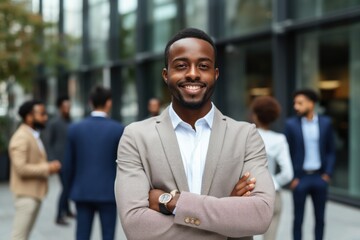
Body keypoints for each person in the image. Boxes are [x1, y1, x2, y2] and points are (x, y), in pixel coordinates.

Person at [115, 27, 275, 240]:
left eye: (203, 66)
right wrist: (226, 218)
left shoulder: (245, 136)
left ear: (215, 74)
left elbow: (260, 215)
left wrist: (171, 201)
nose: (192, 73)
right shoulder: (136, 137)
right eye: (181, 66)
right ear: (166, 74)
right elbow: (136, 226)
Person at [63, 86, 125, 240]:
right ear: (109, 103)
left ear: (90, 102)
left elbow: (68, 166)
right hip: (109, 192)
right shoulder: (118, 129)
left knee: (82, 235)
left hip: (82, 191)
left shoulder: (75, 129)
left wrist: (67, 192)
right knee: (108, 236)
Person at [284, 89, 336, 240]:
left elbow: (331, 151)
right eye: (295, 103)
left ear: (311, 104)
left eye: (300, 103)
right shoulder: (290, 124)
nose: (296, 106)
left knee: (320, 219)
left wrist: (327, 174)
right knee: (298, 220)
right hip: (300, 179)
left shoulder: (326, 123)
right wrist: (292, 178)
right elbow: (286, 152)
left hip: (320, 178)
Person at [8, 100, 61, 240]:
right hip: (26, 196)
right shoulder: (21, 137)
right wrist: (48, 168)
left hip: (33, 194)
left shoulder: (32, 134)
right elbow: (21, 168)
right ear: (29, 117)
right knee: (19, 236)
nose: (46, 117)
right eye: (42, 114)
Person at [250, 96, 293, 240]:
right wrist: (273, 182)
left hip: (249, 194)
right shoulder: (279, 139)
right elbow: (288, 173)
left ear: (255, 115)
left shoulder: (246, 135)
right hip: (273, 194)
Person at [42, 96, 75, 225]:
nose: (67, 109)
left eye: (69, 106)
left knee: (67, 186)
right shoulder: (54, 123)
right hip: (60, 161)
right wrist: (52, 160)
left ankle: (67, 211)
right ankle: (59, 216)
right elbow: (47, 142)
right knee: (66, 188)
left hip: (70, 159)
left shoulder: (71, 122)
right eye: (65, 106)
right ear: (60, 108)